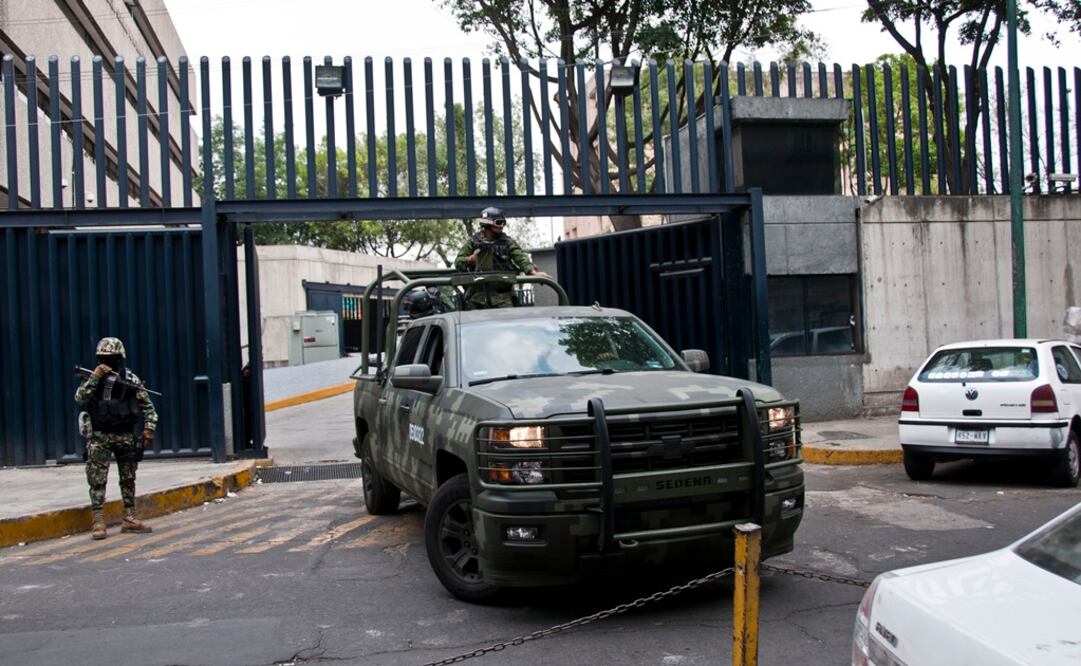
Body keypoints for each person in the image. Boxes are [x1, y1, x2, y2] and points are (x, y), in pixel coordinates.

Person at [75, 337, 158, 540]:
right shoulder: (91, 378)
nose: (107, 362)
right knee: (97, 479)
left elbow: (147, 406)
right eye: (103, 358)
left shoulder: (130, 379)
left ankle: (130, 517)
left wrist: (149, 429)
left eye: (112, 358)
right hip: (100, 436)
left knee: (128, 478)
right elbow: (80, 398)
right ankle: (98, 520)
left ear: (120, 358)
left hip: (125, 435)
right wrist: (95, 377)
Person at [453, 207, 548, 309]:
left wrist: (532, 272)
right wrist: (471, 259)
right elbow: (458, 262)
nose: (502, 226)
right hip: (478, 298)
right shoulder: (473, 242)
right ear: (487, 224)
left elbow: (520, 256)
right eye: (499, 223)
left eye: (503, 222)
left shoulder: (507, 242)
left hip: (503, 297)